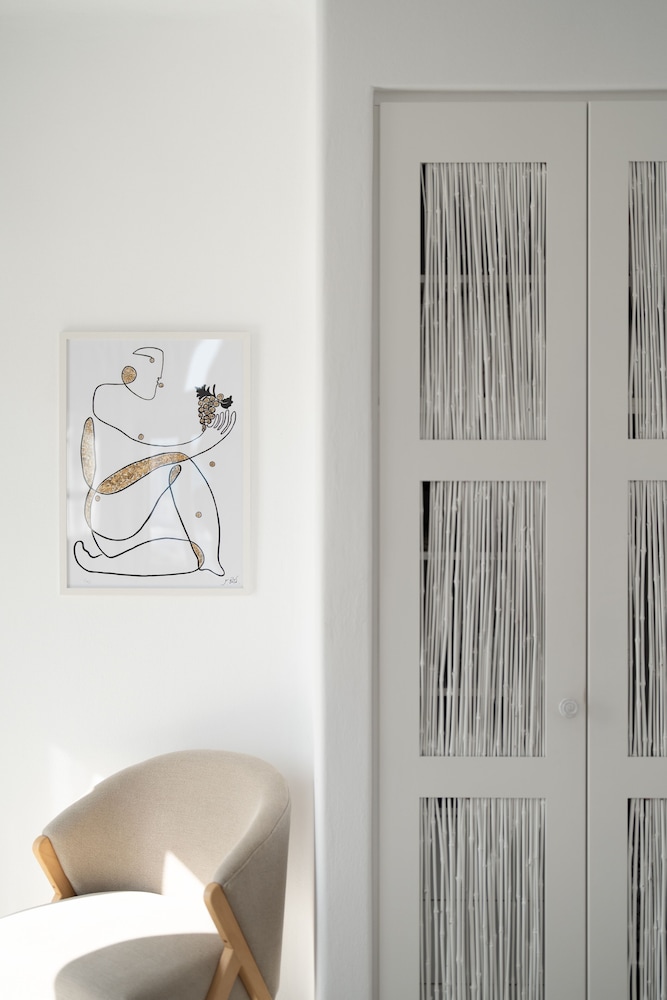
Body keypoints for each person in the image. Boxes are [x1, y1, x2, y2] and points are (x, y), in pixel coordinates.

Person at [73, 346, 236, 579]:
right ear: (132, 373)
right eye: (156, 377)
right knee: (182, 463)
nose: (159, 383)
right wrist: (207, 441)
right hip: (107, 498)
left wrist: (204, 438)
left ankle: (207, 558)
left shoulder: (125, 402)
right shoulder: (107, 397)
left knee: (192, 557)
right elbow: (151, 446)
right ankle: (208, 558)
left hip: (114, 497)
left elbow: (156, 443)